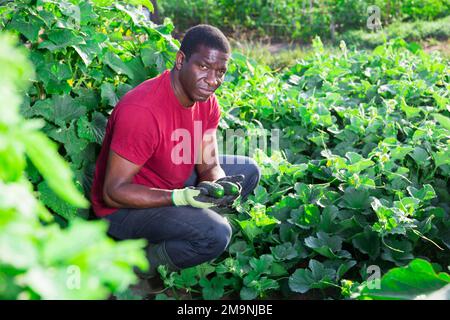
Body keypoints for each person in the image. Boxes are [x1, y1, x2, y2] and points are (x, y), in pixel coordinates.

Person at [90, 24, 261, 286]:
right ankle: (133, 269)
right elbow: (112, 192)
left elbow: (209, 163)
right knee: (216, 234)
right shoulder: (143, 111)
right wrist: (181, 198)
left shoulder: (206, 100)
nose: (213, 81)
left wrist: (219, 183)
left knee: (248, 172)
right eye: (204, 67)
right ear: (181, 60)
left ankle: (186, 237)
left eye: (220, 72)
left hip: (171, 181)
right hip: (122, 210)